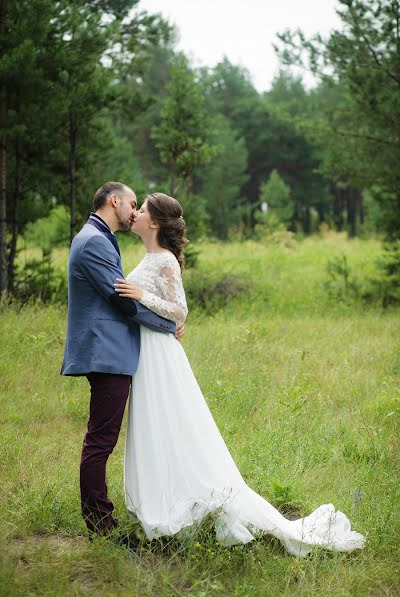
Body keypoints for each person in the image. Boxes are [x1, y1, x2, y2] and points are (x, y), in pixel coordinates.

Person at [114, 192, 366, 557]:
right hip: (148, 351)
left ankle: (192, 501)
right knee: (156, 425)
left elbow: (179, 311)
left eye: (141, 210)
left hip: (160, 355)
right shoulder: (150, 256)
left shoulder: (165, 260)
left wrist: (140, 295)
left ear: (153, 223)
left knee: (173, 422)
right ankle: (165, 496)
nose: (133, 214)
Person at [61, 182, 184, 547]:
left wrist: (169, 320)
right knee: (100, 441)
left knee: (104, 438)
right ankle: (101, 526)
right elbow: (122, 302)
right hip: (107, 352)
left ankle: (108, 519)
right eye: (133, 204)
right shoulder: (94, 241)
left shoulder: (98, 237)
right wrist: (169, 326)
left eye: (140, 207)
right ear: (114, 201)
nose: (134, 211)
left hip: (114, 351)